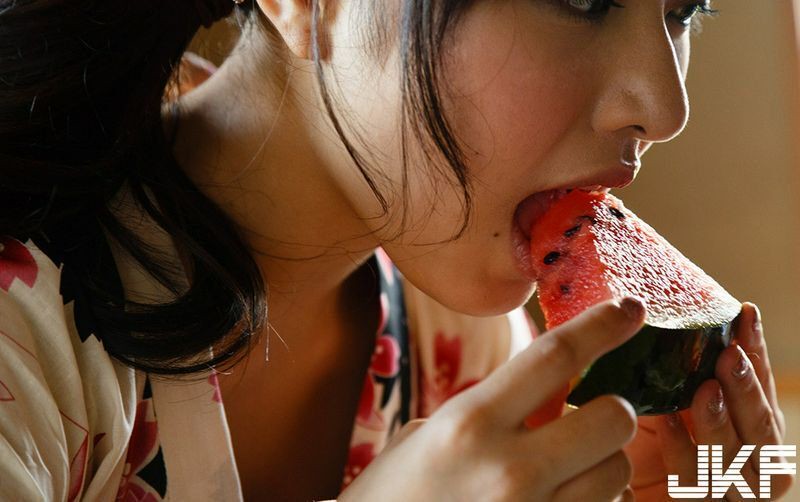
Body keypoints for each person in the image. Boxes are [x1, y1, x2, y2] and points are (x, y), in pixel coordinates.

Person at [0, 0, 793, 500]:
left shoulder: (465, 350)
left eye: (685, 11)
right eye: (581, 0)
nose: (666, 107)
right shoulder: (20, 332)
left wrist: (706, 488)